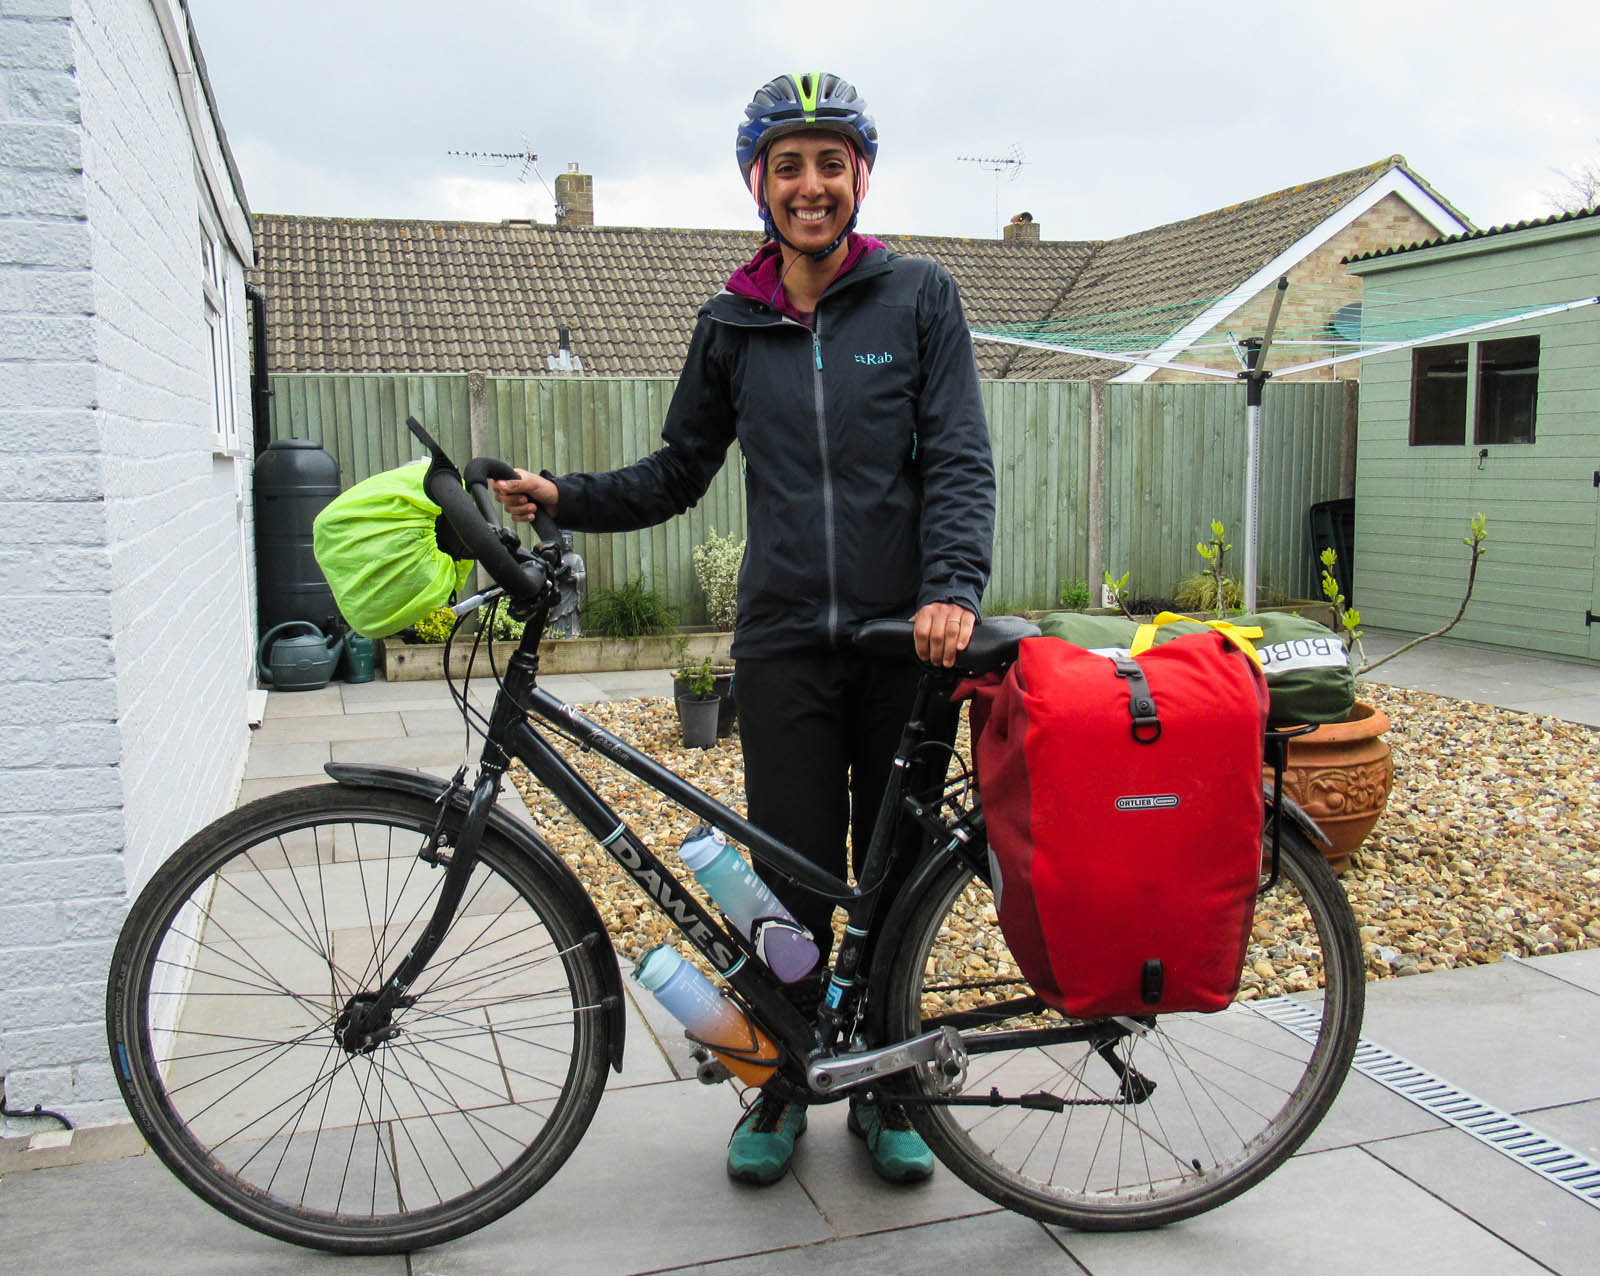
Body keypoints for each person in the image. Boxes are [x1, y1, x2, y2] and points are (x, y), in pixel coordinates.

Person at [493, 71, 995, 1187]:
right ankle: (781, 1085)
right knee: (796, 888)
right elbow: (679, 469)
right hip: (780, 647)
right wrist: (564, 495)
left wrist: (950, 585)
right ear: (757, 183)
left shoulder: (920, 299)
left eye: (829, 162)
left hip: (904, 643)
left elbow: (960, 454)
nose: (809, 184)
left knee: (898, 884)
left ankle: (889, 1091)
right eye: (788, 164)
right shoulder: (731, 321)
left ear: (858, 177)